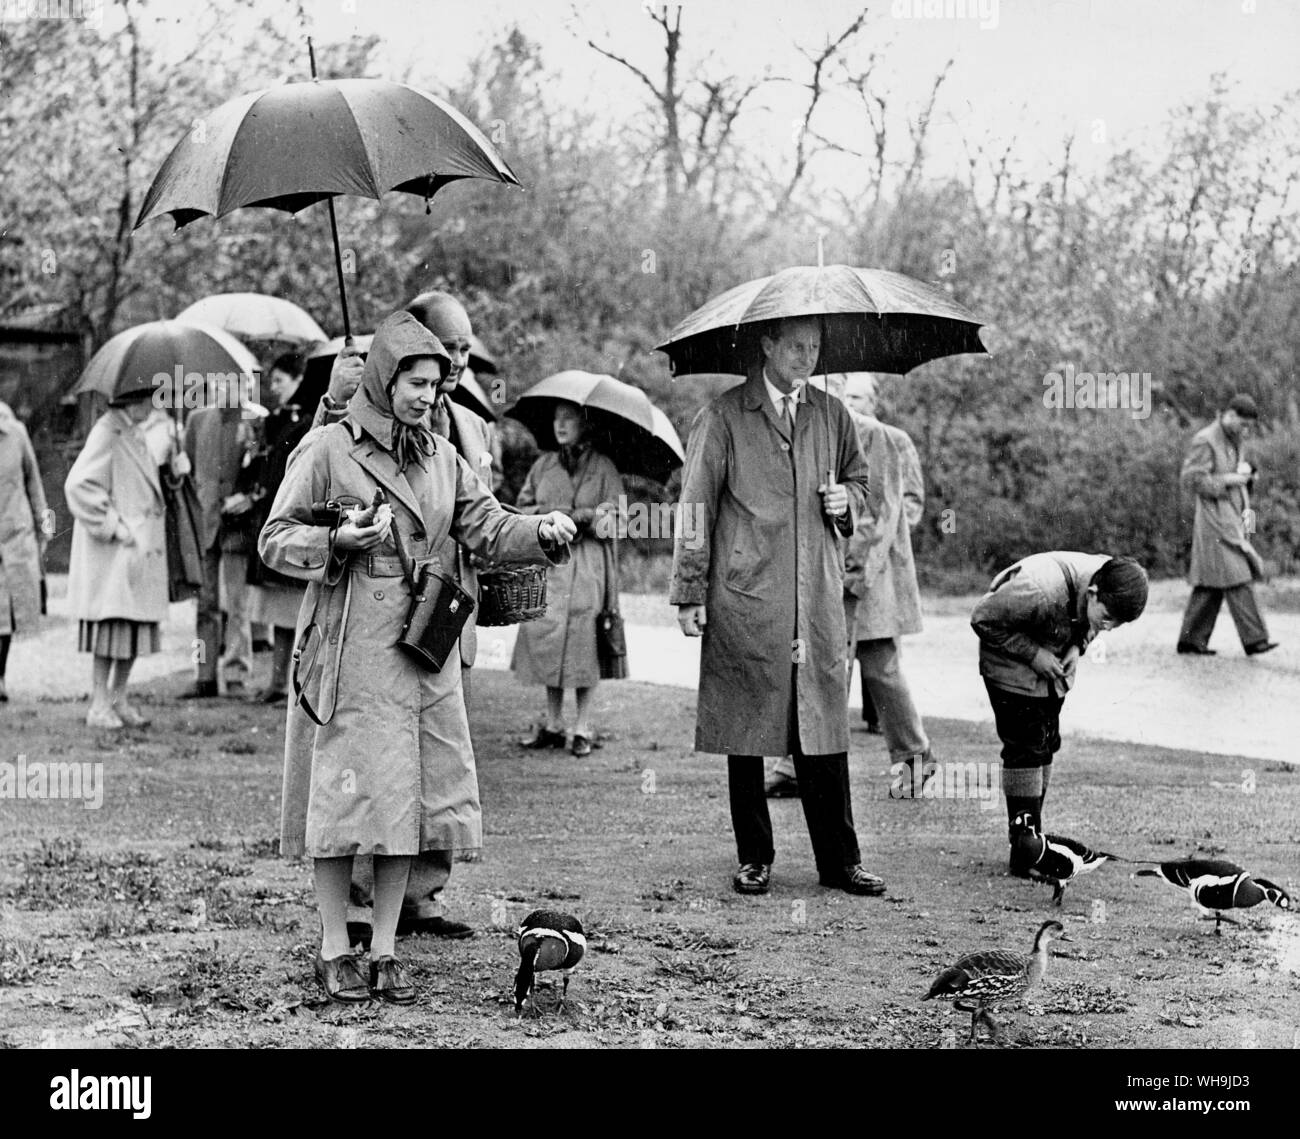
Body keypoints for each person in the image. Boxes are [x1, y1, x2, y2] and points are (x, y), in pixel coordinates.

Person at [260, 311, 576, 1003]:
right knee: (345, 793)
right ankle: (333, 945)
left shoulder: (440, 455)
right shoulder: (325, 450)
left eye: (436, 385)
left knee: (411, 797)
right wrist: (338, 540)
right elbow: (275, 539)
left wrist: (541, 532)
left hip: (422, 643)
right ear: (383, 377)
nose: (428, 396)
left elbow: (486, 525)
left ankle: (384, 945)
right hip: (350, 643)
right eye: (415, 382)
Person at [670, 315, 886, 898]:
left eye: (815, 347)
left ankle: (841, 862)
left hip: (814, 597)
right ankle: (754, 857)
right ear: (766, 345)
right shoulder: (722, 417)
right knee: (746, 725)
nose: (806, 356)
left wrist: (846, 500)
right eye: (796, 346)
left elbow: (861, 484)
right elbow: (694, 510)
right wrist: (689, 592)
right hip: (746, 596)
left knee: (822, 725)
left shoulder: (832, 413)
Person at [317, 292, 501, 943]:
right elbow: (309, 487)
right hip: (380, 615)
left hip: (446, 612)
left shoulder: (471, 425)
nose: (454, 366)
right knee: (375, 761)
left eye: (461, 353)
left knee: (439, 761)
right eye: (444, 351)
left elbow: (487, 514)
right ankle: (363, 903)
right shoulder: (346, 420)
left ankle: (424, 892)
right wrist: (334, 403)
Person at [766, 372, 931, 798]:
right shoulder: (809, 430)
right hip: (830, 573)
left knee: (880, 668)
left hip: (867, 577)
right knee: (823, 665)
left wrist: (854, 572)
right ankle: (798, 763)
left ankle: (914, 760)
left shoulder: (874, 435)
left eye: (837, 386)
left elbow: (883, 510)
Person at [970, 551, 1149, 873]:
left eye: (1119, 624)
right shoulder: (1037, 588)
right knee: (1024, 750)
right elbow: (982, 619)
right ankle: (1025, 852)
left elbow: (1091, 624)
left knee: (1046, 745)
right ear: (1093, 594)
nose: (1109, 628)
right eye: (1108, 618)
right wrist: (1033, 654)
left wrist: (1077, 646)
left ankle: (1030, 843)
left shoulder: (1111, 578)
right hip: (1010, 667)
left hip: (1052, 668)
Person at [512, 400, 626, 758]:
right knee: (547, 638)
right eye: (557, 419)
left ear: (584, 424)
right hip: (549, 564)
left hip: (589, 566)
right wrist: (551, 517)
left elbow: (621, 518)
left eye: (569, 419)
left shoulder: (604, 468)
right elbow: (520, 511)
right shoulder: (543, 465)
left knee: (584, 642)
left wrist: (587, 516)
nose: (560, 425)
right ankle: (553, 722)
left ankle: (582, 727)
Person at [65, 385, 184, 729]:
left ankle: (119, 699)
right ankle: (99, 705)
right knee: (111, 630)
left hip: (137, 551)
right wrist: (113, 526)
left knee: (133, 630)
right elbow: (78, 485)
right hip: (117, 552)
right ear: (133, 400)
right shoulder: (108, 431)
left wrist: (174, 472)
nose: (154, 405)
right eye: (149, 399)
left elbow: (145, 484)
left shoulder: (134, 431)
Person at [1176, 394, 1276, 657]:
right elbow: (1192, 480)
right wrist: (1232, 479)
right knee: (1238, 574)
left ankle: (1191, 641)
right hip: (1215, 521)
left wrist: (1249, 476)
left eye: (1248, 427)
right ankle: (1256, 639)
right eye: (1243, 425)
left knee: (1211, 580)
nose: (1246, 431)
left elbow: (1236, 475)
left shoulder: (1234, 439)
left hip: (1234, 516)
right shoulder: (1205, 440)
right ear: (1229, 415)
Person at [184, 379, 258, 697]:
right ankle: (204, 675)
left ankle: (236, 674)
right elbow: (188, 468)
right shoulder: (197, 419)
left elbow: (260, 471)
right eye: (222, 383)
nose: (227, 390)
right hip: (204, 523)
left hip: (237, 526)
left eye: (236, 384)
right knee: (205, 604)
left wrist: (248, 498)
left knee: (237, 603)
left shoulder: (254, 420)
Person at [244, 352, 311, 704]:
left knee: (297, 612)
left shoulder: (311, 420)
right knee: (277, 611)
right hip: (272, 516)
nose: (274, 388)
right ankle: (278, 682)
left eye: (279, 381)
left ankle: (297, 685)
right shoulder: (276, 421)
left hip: (296, 519)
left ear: (298, 379)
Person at [0, 400, 51, 703]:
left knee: (8, 613)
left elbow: (35, 483)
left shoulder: (16, 433)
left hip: (15, 536)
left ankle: (0, 675)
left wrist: (44, 527)